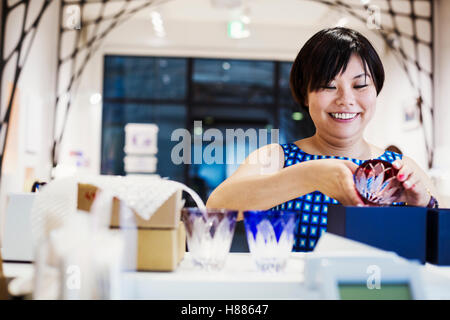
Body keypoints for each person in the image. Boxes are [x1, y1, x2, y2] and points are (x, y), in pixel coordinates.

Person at [205, 27, 443, 252]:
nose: (346, 99)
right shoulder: (277, 157)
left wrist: (425, 203)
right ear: (305, 95)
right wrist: (311, 175)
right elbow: (216, 207)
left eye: (360, 85)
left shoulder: (400, 167)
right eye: (329, 86)